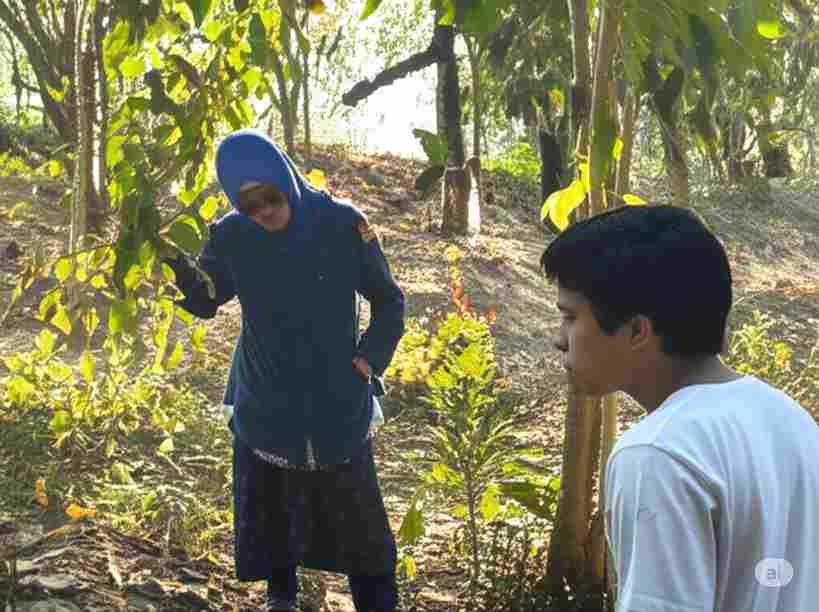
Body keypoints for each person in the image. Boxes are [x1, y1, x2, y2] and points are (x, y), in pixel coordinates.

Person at [164, 129, 405, 612]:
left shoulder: (342, 223)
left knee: (364, 536)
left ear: (286, 180)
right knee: (274, 515)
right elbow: (207, 299)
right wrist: (169, 260)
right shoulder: (232, 235)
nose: (263, 213)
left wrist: (367, 361)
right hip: (266, 398)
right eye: (248, 205)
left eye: (270, 198)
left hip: (338, 402)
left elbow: (389, 301)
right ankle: (282, 598)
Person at [540, 205, 819, 611]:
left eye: (569, 317)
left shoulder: (658, 453)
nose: (558, 339)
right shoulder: (791, 419)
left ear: (637, 330)